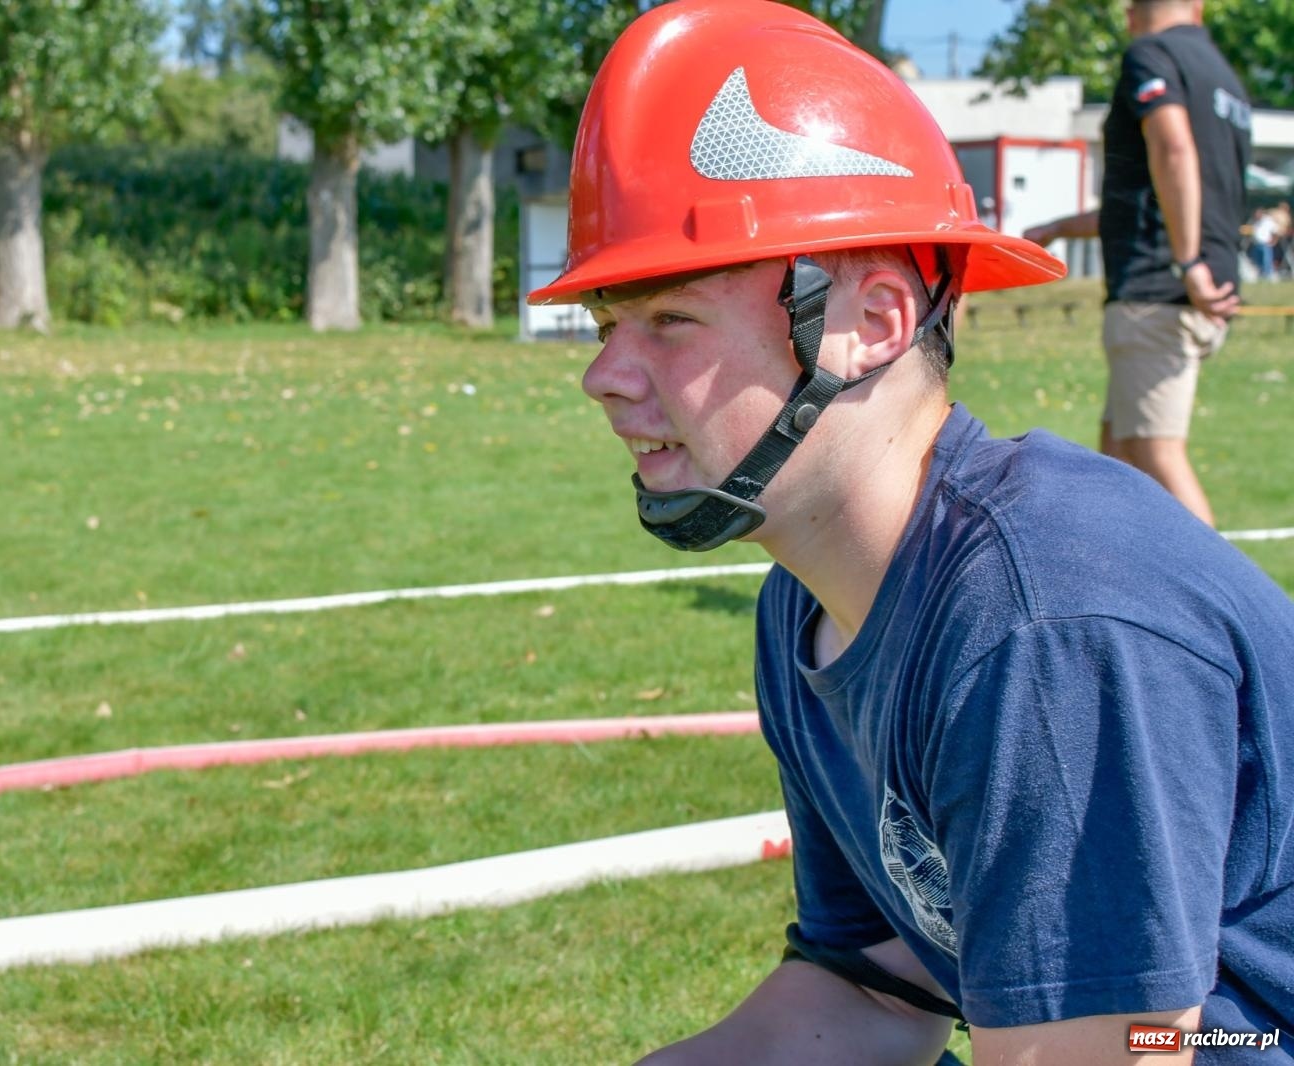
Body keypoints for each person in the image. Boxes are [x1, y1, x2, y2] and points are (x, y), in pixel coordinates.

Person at [526, 1, 1294, 1063]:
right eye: (609, 327)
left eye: (669, 319)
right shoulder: (805, 609)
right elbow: (879, 993)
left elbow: (1114, 1051)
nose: (602, 376)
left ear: (873, 322)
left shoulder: (1043, 621)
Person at [1024, 0, 1251, 528]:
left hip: (1159, 291)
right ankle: (1122, 592)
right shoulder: (1225, 80)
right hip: (1202, 290)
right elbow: (1156, 197)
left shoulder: (1150, 54)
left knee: (1153, 453)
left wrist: (1186, 259)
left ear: (1131, 11)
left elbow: (1173, 149)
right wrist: (1057, 228)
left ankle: (1231, 608)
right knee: (1119, 454)